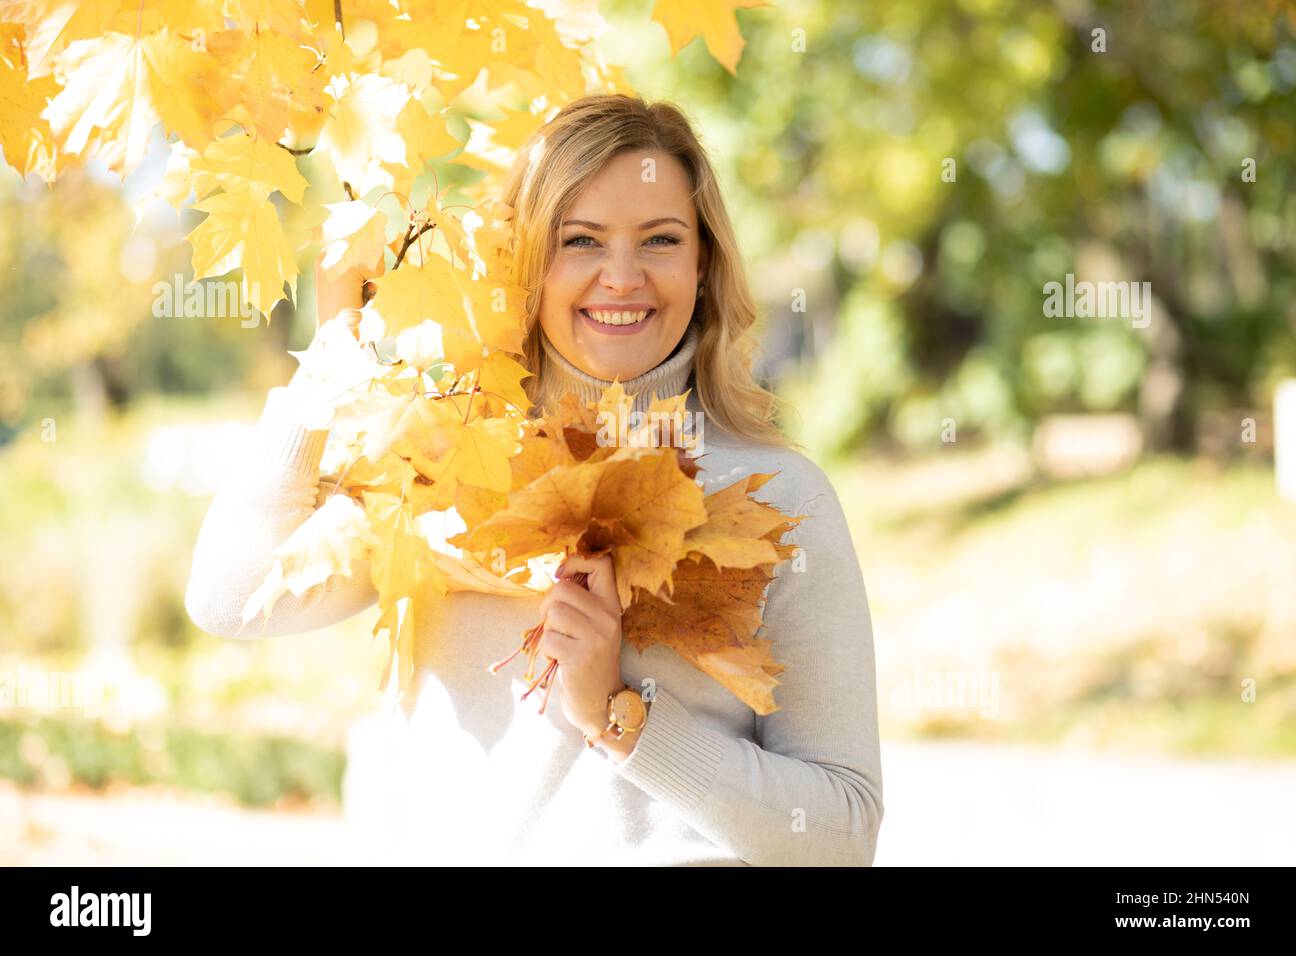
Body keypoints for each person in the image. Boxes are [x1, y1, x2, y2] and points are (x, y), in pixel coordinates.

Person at [185, 93, 884, 866]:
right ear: (526, 260)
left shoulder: (778, 495)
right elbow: (230, 599)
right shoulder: (445, 465)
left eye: (660, 239)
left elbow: (841, 835)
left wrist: (620, 716)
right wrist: (331, 349)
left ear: (703, 263)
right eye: (579, 240)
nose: (622, 277)